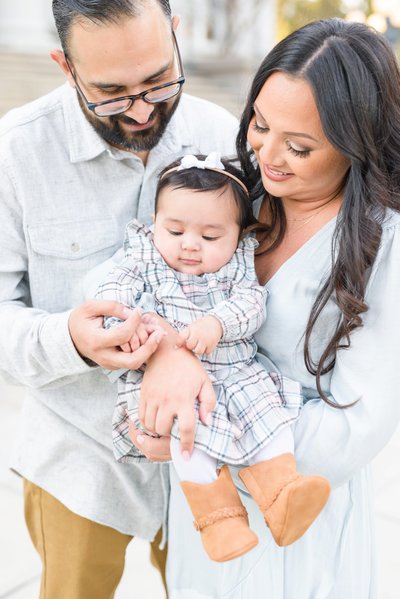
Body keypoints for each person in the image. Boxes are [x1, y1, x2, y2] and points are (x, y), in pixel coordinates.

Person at [129, 18, 400, 598]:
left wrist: (210, 426)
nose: (268, 155)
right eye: (258, 124)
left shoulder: (386, 244)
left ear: (358, 144)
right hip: (207, 504)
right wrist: (162, 362)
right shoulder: (234, 201)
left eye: (299, 147)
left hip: (301, 511)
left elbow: (360, 422)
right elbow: (146, 278)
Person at [0, 1, 239, 597]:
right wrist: (71, 342)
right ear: (65, 65)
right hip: (80, 458)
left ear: (176, 40)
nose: (140, 110)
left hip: (210, 451)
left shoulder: (223, 136)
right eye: (111, 93)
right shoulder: (15, 153)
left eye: (159, 81)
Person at [93, 151, 330, 563]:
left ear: (237, 235)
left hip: (236, 372)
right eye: (175, 229)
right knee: (189, 441)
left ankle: (281, 492)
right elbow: (111, 297)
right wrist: (138, 328)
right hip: (167, 385)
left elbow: (252, 303)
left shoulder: (238, 264)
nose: (190, 245)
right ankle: (217, 520)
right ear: (155, 224)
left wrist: (218, 324)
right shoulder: (142, 257)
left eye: (209, 236)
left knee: (269, 417)